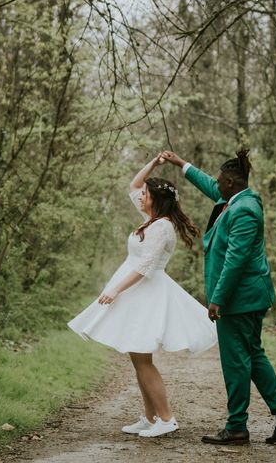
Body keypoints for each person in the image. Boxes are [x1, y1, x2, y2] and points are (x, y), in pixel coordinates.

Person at [68, 154, 217, 438]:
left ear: (155, 201)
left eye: (146, 194)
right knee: (138, 358)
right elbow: (133, 184)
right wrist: (154, 162)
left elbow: (145, 268)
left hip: (146, 293)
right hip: (138, 292)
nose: (140, 196)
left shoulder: (161, 227)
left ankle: (166, 418)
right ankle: (150, 418)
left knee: (143, 360)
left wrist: (114, 290)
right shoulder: (151, 219)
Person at [160, 149, 276, 445]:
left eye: (220, 180)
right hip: (246, 298)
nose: (216, 183)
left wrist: (217, 299)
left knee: (236, 361)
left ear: (230, 182)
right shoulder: (234, 199)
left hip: (240, 299)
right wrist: (180, 163)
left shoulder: (245, 210)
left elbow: (235, 261)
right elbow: (208, 185)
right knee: (253, 354)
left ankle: (237, 426)